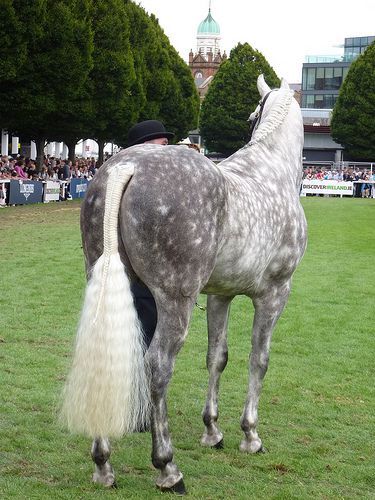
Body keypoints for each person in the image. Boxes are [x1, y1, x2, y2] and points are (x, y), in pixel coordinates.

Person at [127, 120, 174, 348]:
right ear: (146, 144)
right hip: (146, 277)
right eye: (163, 142)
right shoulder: (150, 183)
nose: (167, 147)